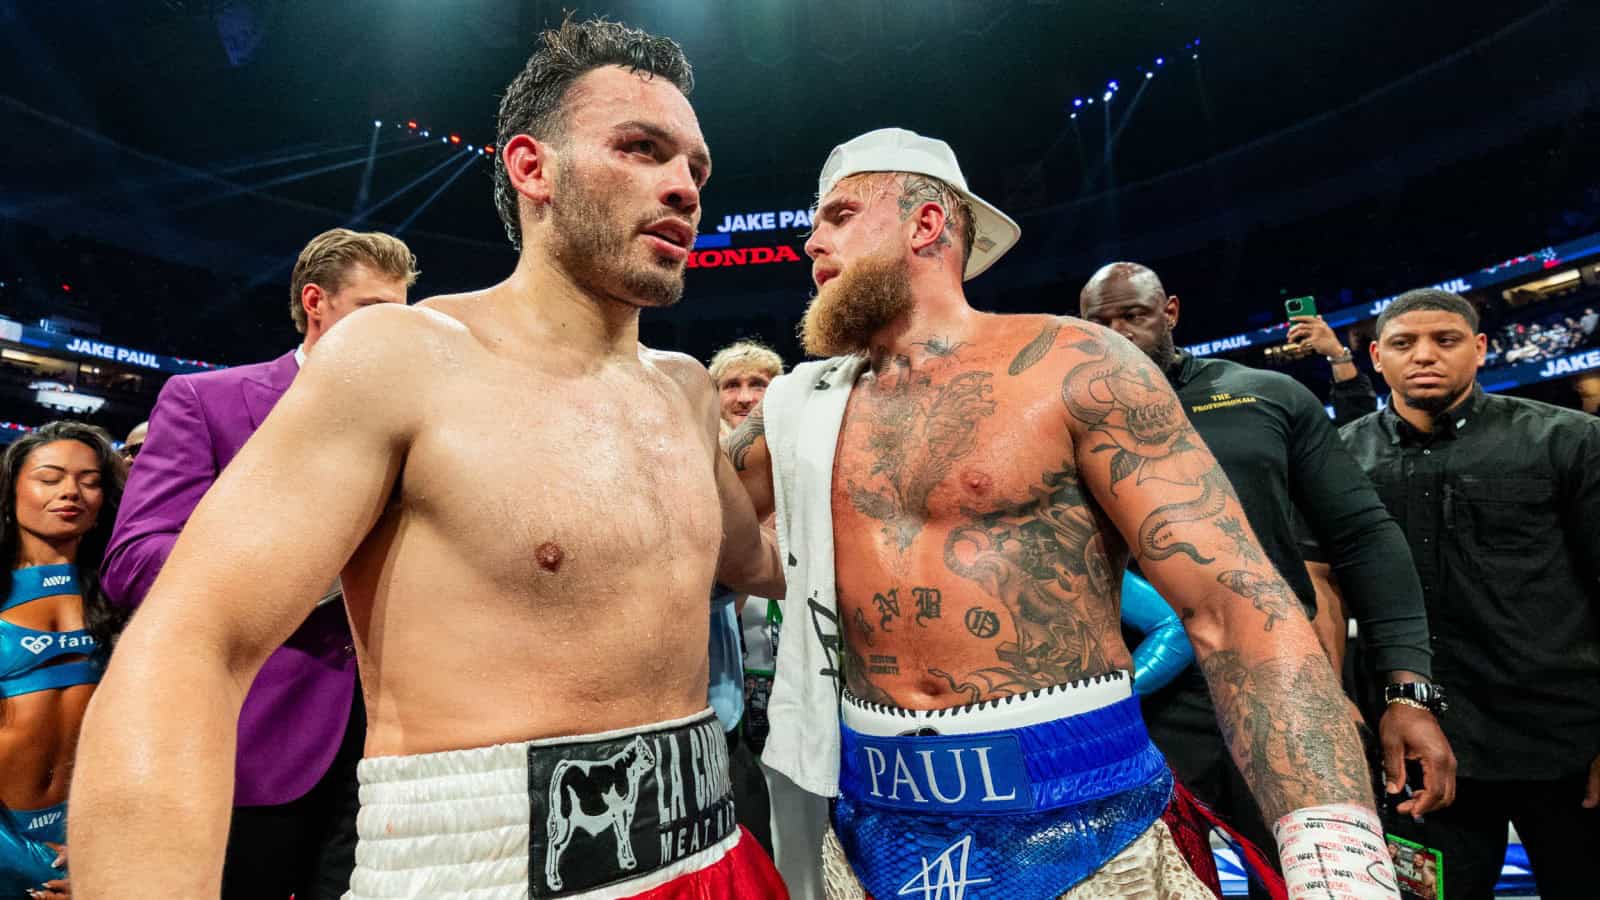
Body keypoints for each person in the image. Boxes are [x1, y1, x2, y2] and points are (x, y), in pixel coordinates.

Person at [71, 17, 787, 899]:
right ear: (533, 169)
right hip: (477, 872)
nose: (682, 186)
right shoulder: (401, 359)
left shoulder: (683, 389)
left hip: (717, 853)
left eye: (695, 168)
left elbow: (764, 561)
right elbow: (188, 646)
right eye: (642, 149)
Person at [729, 128, 1398, 898]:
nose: (812, 240)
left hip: (1088, 822)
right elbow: (695, 537)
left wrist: (1336, 858)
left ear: (926, 224)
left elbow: (1235, 608)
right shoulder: (796, 408)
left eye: (840, 214)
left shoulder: (1073, 365)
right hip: (868, 825)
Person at [1079, 264, 1452, 896]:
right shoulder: (1068, 416)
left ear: (1169, 312)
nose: (1119, 334)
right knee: (1156, 885)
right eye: (1100, 323)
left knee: (1308, 883)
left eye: (1134, 316)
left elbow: (1364, 536)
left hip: (1277, 686)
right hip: (1144, 700)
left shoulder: (1266, 394)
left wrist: (1406, 690)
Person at [97, 227, 415, 899]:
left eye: (402, 315)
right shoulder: (206, 402)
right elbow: (131, 562)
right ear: (316, 303)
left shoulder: (416, 423)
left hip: (399, 757)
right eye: (374, 312)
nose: (394, 334)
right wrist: (309, 568)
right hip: (261, 746)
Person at [1340, 288, 1600, 899]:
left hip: (1564, 741)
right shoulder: (1341, 458)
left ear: (1480, 349)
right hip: (1414, 749)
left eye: (1446, 340)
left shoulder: (1569, 441)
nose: (1424, 356)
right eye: (1404, 344)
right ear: (1378, 356)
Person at [0, 421, 125, 900]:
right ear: (12, 489)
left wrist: (103, 853)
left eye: (90, 481)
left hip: (90, 843)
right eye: (49, 479)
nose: (71, 491)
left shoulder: (125, 600)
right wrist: (23, 862)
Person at [706, 339, 785, 855]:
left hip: (800, 676)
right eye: (731, 384)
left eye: (759, 383)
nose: (745, 395)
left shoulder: (812, 461)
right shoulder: (696, 465)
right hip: (726, 679)